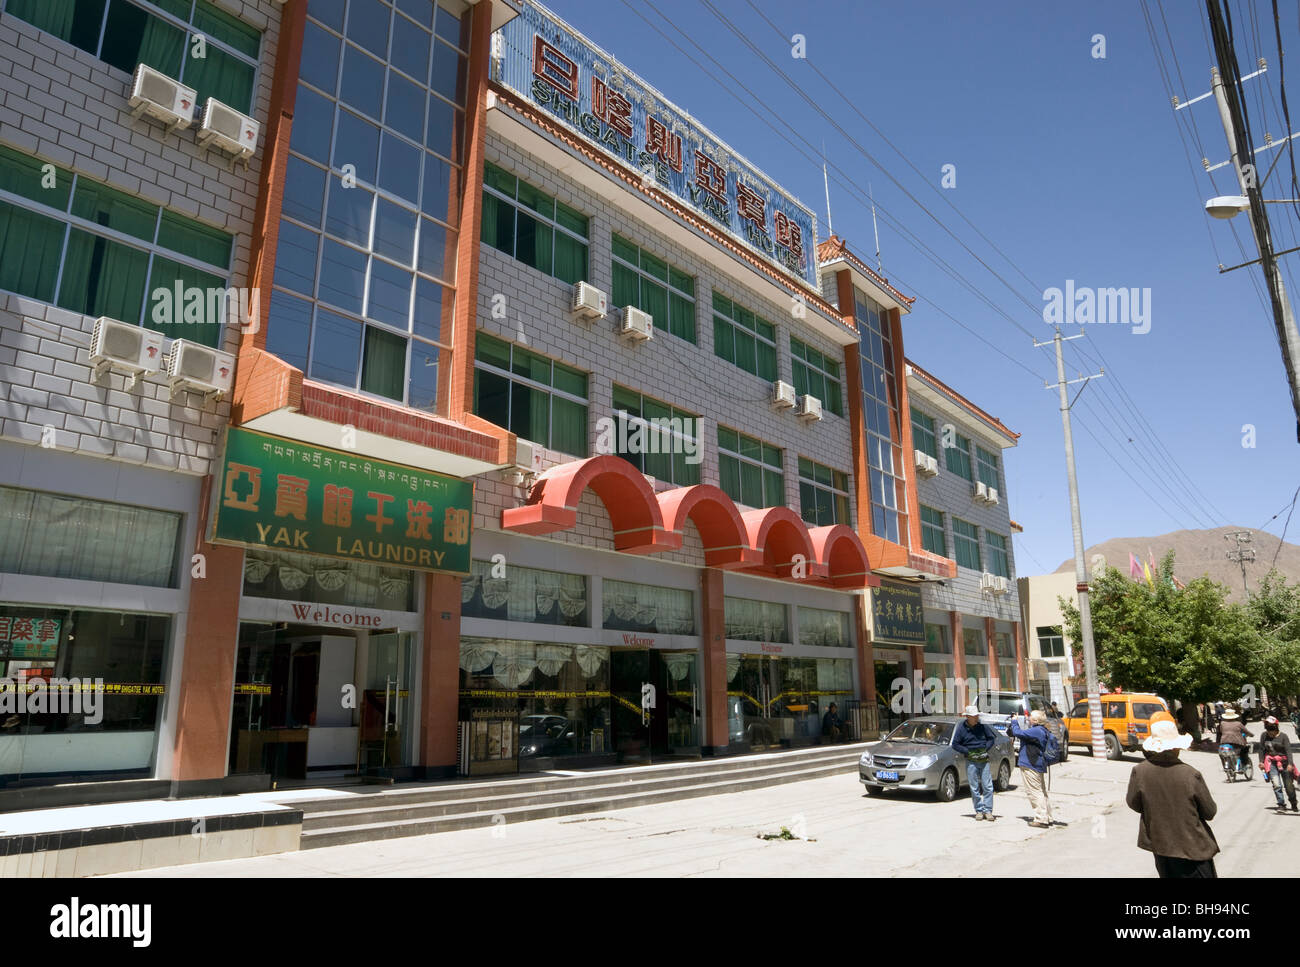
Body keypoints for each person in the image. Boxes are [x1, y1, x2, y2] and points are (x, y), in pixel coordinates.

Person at [1125, 718, 1219, 878]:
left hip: (1160, 846)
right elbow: (1210, 812)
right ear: (1176, 748)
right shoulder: (1190, 774)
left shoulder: (1139, 771)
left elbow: (1133, 803)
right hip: (1193, 849)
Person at [1007, 709, 1054, 828]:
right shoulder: (1041, 730)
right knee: (1041, 792)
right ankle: (1047, 816)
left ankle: (1041, 819)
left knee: (1034, 792)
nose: (1028, 718)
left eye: (1030, 717)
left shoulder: (1036, 731)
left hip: (1031, 765)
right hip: (1036, 764)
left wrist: (1014, 721)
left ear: (1036, 720)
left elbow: (1018, 733)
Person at [953, 704, 998, 821]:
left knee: (988, 786)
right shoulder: (961, 728)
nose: (976, 718)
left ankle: (988, 810)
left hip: (984, 759)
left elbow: (991, 739)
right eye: (973, 716)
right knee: (974, 787)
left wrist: (985, 749)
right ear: (967, 716)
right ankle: (979, 810)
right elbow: (955, 744)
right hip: (971, 760)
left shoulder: (983, 726)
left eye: (976, 715)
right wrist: (967, 751)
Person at [1258, 716, 1298, 812]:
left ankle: (1293, 802)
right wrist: (1261, 761)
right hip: (1271, 763)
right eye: (1267, 728)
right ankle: (1281, 804)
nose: (1269, 732)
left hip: (1284, 763)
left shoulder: (1283, 736)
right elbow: (1261, 749)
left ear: (1276, 728)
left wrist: (1290, 764)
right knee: (1276, 784)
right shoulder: (1264, 735)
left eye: (1271, 729)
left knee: (1289, 786)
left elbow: (1288, 751)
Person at [1214, 708, 1251, 777]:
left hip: (1224, 742)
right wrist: (1251, 734)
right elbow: (1246, 731)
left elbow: (1221, 731)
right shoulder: (1238, 723)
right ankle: (1245, 764)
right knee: (1243, 751)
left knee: (1222, 755)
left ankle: (1226, 767)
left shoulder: (1222, 723)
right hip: (1237, 742)